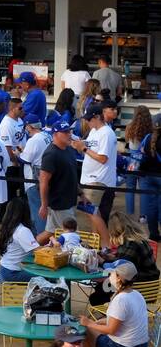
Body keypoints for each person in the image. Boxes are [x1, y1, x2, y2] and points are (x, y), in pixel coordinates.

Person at [79, 260, 151, 347]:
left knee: (85, 331)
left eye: (112, 274)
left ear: (118, 278)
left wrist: (89, 323)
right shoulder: (137, 294)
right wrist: (98, 322)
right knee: (94, 329)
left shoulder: (121, 300)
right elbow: (121, 320)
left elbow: (111, 330)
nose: (110, 276)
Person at [74, 104, 117, 246]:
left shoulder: (106, 133)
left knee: (93, 213)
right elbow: (87, 145)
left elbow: (103, 158)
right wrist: (75, 143)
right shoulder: (94, 131)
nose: (87, 122)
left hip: (98, 179)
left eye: (89, 119)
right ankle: (96, 245)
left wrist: (84, 148)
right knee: (91, 214)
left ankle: (104, 245)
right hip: (90, 178)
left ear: (97, 117)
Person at [0, 196, 52, 282]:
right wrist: (52, 247)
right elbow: (37, 251)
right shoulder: (22, 230)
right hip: (14, 273)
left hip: (6, 269)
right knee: (50, 276)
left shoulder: (8, 226)